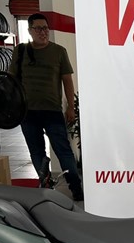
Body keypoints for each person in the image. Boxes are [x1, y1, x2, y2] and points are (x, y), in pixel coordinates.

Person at [10, 13, 83, 201]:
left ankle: (76, 187)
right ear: (30, 31)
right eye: (38, 28)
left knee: (63, 150)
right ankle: (46, 185)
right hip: (27, 112)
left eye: (45, 28)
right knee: (36, 152)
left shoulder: (58, 51)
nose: (43, 32)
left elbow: (67, 81)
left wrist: (70, 107)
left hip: (52, 111)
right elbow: (12, 80)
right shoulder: (20, 51)